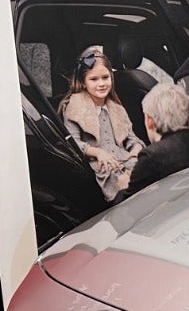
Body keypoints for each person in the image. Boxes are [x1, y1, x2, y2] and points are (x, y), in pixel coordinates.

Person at [59, 48, 141, 200]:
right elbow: (73, 143)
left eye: (105, 77)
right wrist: (98, 152)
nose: (101, 84)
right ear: (83, 83)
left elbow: (132, 138)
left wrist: (136, 151)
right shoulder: (75, 108)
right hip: (104, 166)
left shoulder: (117, 108)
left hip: (126, 159)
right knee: (124, 190)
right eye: (94, 79)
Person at [128, 83, 189, 194]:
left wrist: (123, 185)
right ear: (188, 118)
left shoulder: (150, 157)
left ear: (149, 121)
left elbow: (128, 202)